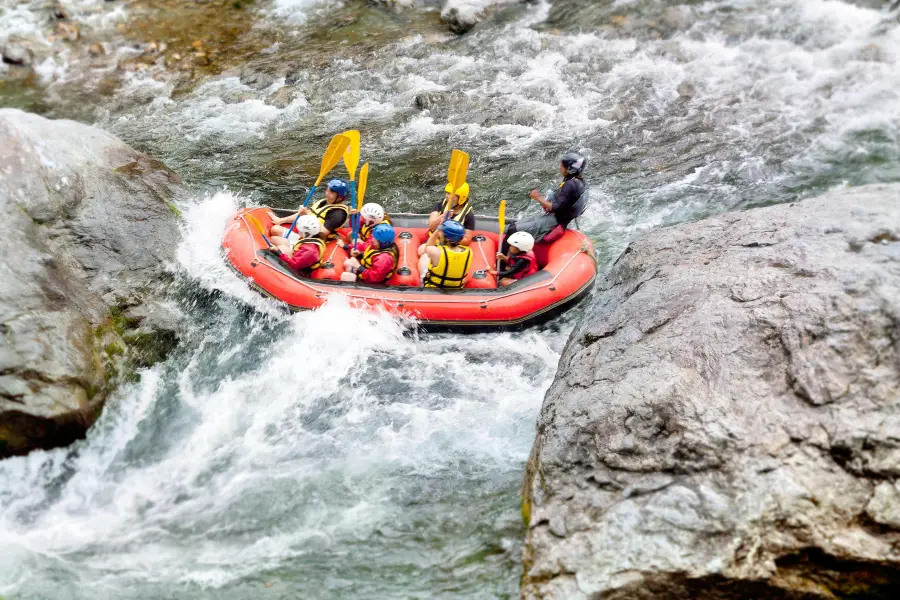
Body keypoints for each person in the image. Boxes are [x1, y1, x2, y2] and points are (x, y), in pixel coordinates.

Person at [501, 152, 587, 253]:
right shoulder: (580, 181)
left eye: (562, 165)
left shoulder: (570, 185)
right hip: (555, 217)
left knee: (513, 230)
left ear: (569, 169)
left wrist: (538, 197)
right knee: (513, 225)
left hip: (554, 222)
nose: (560, 168)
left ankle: (501, 262)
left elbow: (556, 207)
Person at [269, 179, 350, 242]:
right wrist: (281, 220)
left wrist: (306, 215)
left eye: (331, 192)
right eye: (327, 190)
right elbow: (305, 214)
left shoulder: (338, 214)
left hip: (312, 241)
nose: (326, 194)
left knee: (274, 234)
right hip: (304, 231)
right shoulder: (326, 202)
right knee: (275, 229)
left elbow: (322, 234)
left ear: (339, 197)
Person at [419, 220, 472, 289]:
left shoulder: (437, 252)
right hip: (457, 288)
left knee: (424, 256)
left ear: (446, 237)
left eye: (441, 232)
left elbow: (428, 245)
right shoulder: (469, 252)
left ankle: (421, 280)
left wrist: (437, 230)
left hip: (435, 287)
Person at [425, 182, 475, 247]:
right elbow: (431, 225)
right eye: (446, 193)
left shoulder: (469, 215)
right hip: (434, 241)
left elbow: (467, 240)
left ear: (461, 198)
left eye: (449, 194)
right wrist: (442, 216)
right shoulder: (440, 205)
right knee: (421, 250)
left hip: (452, 247)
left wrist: (453, 238)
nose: (446, 196)